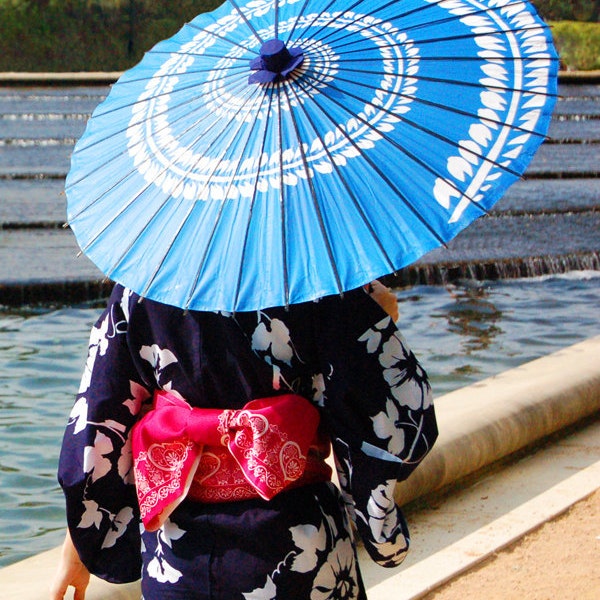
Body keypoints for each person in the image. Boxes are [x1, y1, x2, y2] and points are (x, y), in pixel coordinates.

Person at [51, 281, 437, 599]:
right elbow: (384, 417)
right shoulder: (319, 280)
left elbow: (100, 424)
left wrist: (81, 546)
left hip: (178, 550)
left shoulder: (142, 284)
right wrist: (376, 320)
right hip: (298, 542)